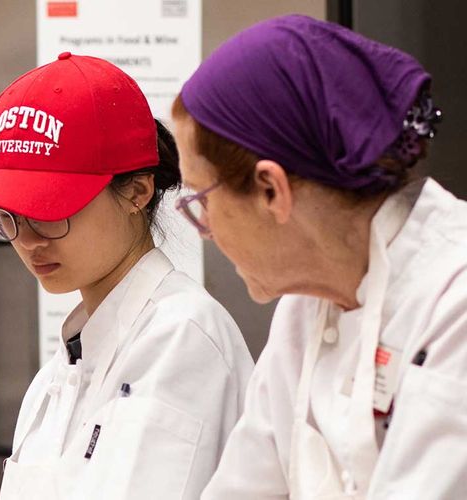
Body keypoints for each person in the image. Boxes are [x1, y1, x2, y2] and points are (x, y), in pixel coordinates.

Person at [169, 15, 466, 499]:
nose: (204, 231)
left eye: (202, 200)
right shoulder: (303, 308)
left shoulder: (454, 303)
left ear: (271, 189)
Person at [0, 52, 254, 499]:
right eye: (8, 217)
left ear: (137, 192)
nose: (27, 241)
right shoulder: (55, 377)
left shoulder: (180, 338)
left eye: (50, 212)